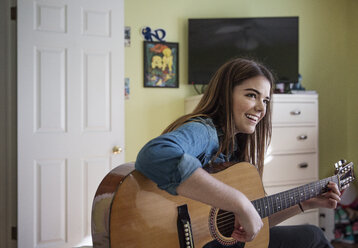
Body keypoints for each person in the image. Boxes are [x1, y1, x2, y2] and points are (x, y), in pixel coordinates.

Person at [135, 58, 340, 247]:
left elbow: (253, 222)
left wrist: (305, 203)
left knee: (311, 236)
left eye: (266, 100)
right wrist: (239, 202)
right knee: (314, 237)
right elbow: (155, 153)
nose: (261, 107)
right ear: (224, 96)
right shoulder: (204, 131)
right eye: (252, 95)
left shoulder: (234, 145)